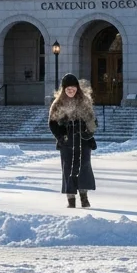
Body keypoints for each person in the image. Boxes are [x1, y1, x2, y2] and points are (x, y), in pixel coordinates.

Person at [49, 74, 97, 209]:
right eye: (68, 88)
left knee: (84, 167)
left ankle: (84, 197)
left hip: (83, 140)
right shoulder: (57, 104)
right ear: (63, 89)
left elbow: (92, 121)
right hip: (67, 142)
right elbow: (52, 124)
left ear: (77, 88)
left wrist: (89, 132)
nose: (71, 91)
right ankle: (70, 199)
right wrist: (61, 136)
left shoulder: (84, 101)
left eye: (73, 88)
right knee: (68, 169)